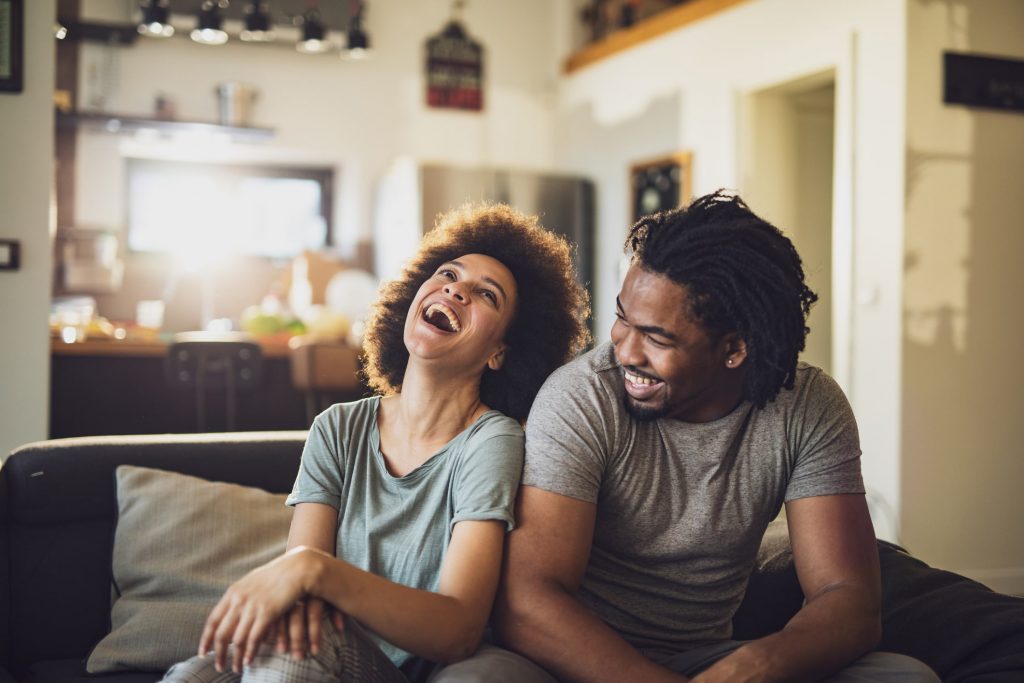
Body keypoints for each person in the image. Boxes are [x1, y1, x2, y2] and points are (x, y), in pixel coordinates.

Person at [484, 191, 940, 682]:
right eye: (621, 318)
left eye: (656, 337)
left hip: (702, 661)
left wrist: (759, 663)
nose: (625, 351)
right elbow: (527, 602)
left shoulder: (808, 407)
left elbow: (848, 597)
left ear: (734, 349)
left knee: (905, 677)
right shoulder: (581, 397)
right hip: (562, 660)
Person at [161, 203, 590, 683]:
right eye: (448, 274)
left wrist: (318, 572)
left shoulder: (491, 441)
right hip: (323, 651)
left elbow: (459, 629)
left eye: (486, 294)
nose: (456, 289)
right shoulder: (337, 428)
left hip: (394, 669)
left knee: (294, 655)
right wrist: (305, 579)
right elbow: (302, 594)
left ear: (500, 353)